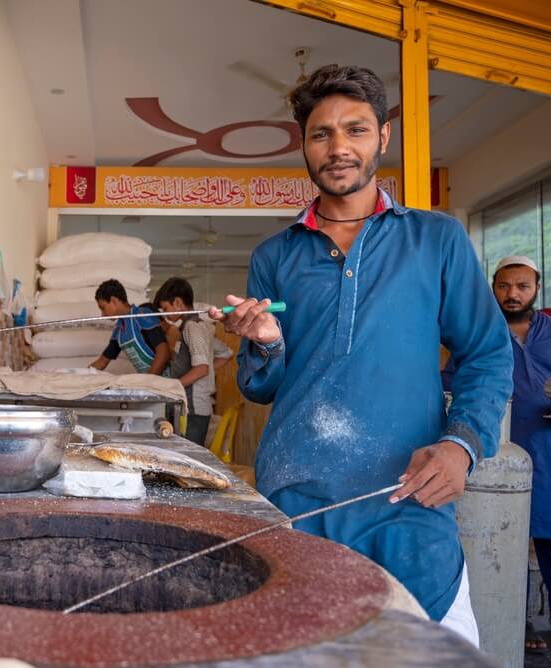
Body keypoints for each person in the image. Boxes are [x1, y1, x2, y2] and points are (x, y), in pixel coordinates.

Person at [210, 64, 513, 645]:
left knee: (429, 652)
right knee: (303, 653)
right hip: (295, 504)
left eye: (355, 129)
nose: (339, 147)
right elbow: (261, 388)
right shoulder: (275, 254)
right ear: (302, 144)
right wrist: (266, 345)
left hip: (407, 502)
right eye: (321, 133)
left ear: (384, 137)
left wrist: (462, 445)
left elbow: (487, 355)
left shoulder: (435, 239)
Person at [442, 255, 551, 653]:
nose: (512, 294)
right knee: (502, 543)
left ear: (536, 288)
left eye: (521, 286)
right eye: (504, 286)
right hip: (495, 456)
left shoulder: (550, 331)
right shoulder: (479, 336)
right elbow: (454, 385)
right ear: (493, 288)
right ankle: (515, 625)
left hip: (547, 452)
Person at [153, 277, 231, 446]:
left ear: (178, 303)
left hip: (194, 409)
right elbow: (225, 354)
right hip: (193, 406)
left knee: (188, 457)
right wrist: (207, 373)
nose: (165, 314)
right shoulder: (198, 327)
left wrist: (174, 386)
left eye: (166, 308)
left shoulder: (192, 327)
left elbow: (202, 368)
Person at [89, 279, 170, 375]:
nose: (102, 314)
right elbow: (103, 360)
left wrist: (148, 381)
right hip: (148, 382)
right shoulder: (119, 332)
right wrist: (82, 375)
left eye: (103, 308)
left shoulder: (142, 315)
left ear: (114, 301)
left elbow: (164, 353)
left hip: (165, 380)